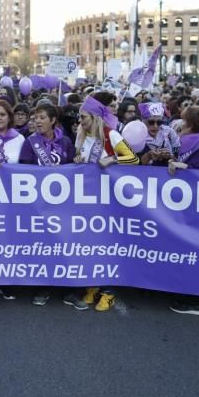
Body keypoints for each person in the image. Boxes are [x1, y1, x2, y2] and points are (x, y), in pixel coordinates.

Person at [68, 95, 139, 312]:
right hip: (87, 200)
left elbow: (134, 159)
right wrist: (77, 159)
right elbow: (81, 160)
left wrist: (113, 159)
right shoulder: (81, 135)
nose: (80, 121)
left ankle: (108, 291)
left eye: (84, 117)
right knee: (90, 245)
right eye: (80, 117)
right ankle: (92, 285)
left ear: (96, 117)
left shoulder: (111, 135)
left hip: (109, 201)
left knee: (106, 245)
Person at [18, 103, 75, 306]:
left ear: (53, 121)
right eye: (36, 117)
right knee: (43, 246)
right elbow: (22, 172)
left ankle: (68, 289)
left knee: (64, 245)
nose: (37, 121)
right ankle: (43, 287)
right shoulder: (29, 142)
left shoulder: (66, 141)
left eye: (42, 117)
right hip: (38, 205)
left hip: (63, 203)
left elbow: (73, 168)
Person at [167, 105, 199, 316]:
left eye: (183, 119)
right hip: (190, 206)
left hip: (195, 207)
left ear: (189, 123)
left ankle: (193, 299)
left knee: (192, 252)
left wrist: (184, 168)